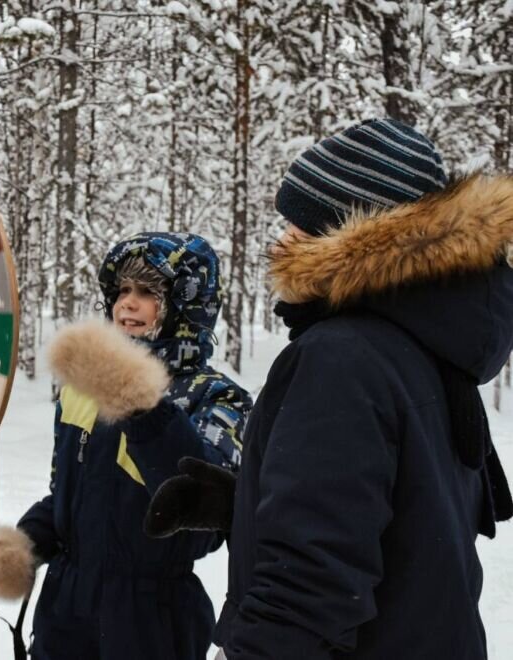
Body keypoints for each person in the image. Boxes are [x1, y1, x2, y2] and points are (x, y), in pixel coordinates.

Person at [148, 118, 513, 659]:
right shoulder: (423, 345)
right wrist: (245, 501)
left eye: (301, 223)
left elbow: (313, 583)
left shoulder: (340, 359)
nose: (284, 237)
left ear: (347, 235)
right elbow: (399, 518)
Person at [0, 232, 251, 659]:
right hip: (65, 615)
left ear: (187, 307)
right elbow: (69, 500)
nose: (127, 303)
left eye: (148, 292)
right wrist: (21, 545)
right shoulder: (83, 392)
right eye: (121, 290)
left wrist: (143, 408)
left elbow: (202, 526)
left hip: (153, 622)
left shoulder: (216, 398)